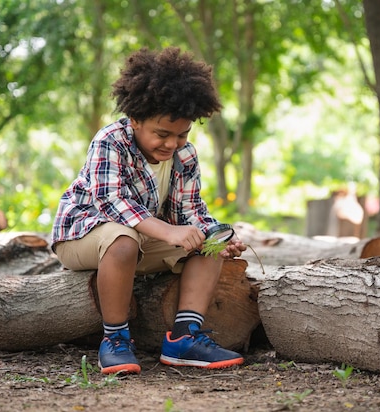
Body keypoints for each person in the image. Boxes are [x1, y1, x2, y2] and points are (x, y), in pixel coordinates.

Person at [51, 47, 247, 375]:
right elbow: (112, 203)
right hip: (84, 235)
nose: (172, 144)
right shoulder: (110, 141)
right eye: (162, 134)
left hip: (142, 237)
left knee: (206, 245)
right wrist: (169, 231)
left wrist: (215, 235)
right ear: (136, 119)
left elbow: (191, 210)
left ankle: (185, 337)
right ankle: (115, 339)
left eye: (182, 134)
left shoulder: (184, 156)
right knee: (123, 239)